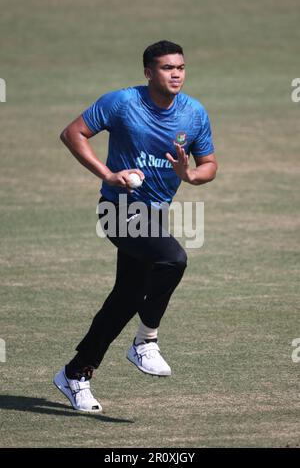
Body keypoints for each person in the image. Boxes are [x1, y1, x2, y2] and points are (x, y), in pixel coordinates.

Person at [53, 40, 217, 412]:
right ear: (148, 72)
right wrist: (108, 174)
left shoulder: (193, 113)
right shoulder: (122, 103)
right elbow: (72, 133)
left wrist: (189, 174)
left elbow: (209, 164)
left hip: (155, 214)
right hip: (120, 209)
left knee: (125, 299)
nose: (176, 73)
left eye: (181, 67)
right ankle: (145, 341)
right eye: (166, 67)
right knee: (174, 259)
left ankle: (75, 373)